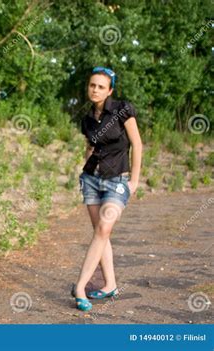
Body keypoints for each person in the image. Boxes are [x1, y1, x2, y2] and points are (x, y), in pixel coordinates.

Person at [72, 67, 142, 311]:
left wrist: (134, 180)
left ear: (110, 90)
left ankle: (80, 286)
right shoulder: (87, 119)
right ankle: (110, 284)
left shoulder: (123, 110)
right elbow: (90, 148)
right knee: (101, 234)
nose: (95, 90)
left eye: (101, 86)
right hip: (91, 179)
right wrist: (84, 170)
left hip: (118, 179)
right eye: (92, 85)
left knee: (103, 227)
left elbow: (137, 144)